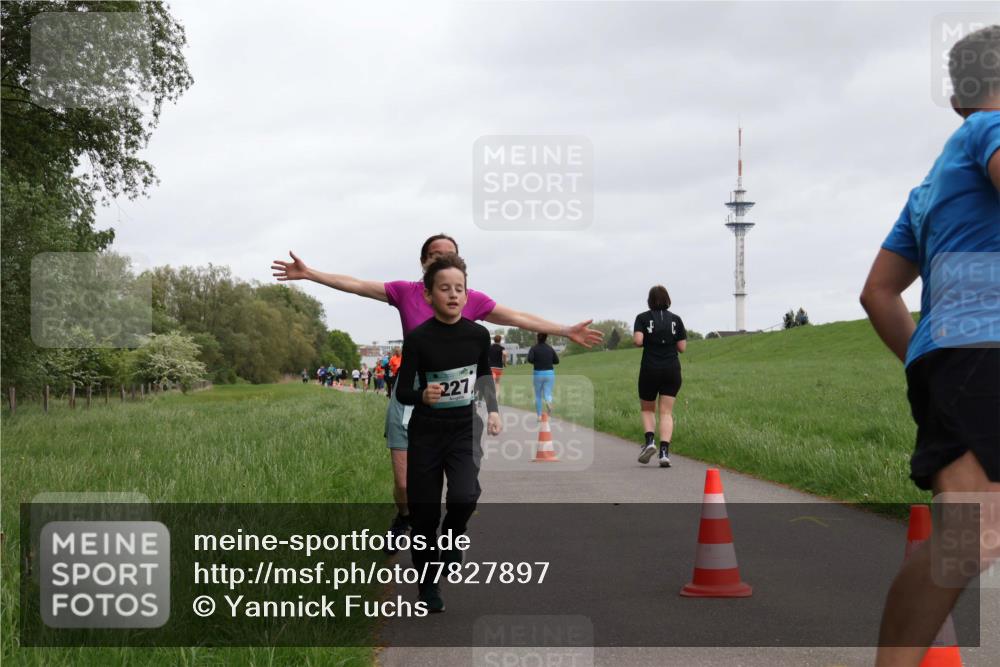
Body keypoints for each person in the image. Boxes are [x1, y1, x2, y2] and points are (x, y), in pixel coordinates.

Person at [272, 233, 603, 550]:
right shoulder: (405, 291)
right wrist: (310, 273)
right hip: (412, 396)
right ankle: (404, 519)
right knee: (404, 485)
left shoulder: (469, 298)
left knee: (457, 488)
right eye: (436, 255)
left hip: (453, 409)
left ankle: (447, 534)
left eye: (450, 255)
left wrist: (564, 330)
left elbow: (516, 317)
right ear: (423, 263)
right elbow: (358, 285)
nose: (443, 260)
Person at [860, 26, 1000, 667]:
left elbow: (878, 294)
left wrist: (929, 361)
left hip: (953, 358)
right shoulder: (988, 131)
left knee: (968, 535)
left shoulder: (928, 186)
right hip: (984, 354)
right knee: (971, 533)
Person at [394, 254, 502, 612]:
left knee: (464, 495)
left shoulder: (478, 335)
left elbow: (484, 375)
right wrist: (422, 394)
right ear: (428, 296)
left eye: (460, 289)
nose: (453, 295)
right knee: (424, 513)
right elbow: (403, 389)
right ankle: (428, 586)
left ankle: (454, 536)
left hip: (463, 428)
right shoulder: (419, 339)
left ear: (466, 294)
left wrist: (495, 411)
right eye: (445, 289)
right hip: (426, 432)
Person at [633, 285, 687, 467]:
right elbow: (682, 348)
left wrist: (650, 338)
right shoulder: (676, 320)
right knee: (666, 412)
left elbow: (638, 341)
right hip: (672, 369)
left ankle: (649, 442)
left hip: (650, 368)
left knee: (648, 409)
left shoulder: (642, 318)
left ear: (649, 300)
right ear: (667, 299)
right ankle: (664, 452)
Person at [527, 333, 559, 419]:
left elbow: (530, 359)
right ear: (546, 338)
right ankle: (548, 402)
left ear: (537, 338)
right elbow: (557, 361)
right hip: (549, 373)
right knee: (547, 393)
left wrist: (537, 361)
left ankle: (539, 416)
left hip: (538, 373)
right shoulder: (550, 348)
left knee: (538, 395)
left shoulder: (533, 348)